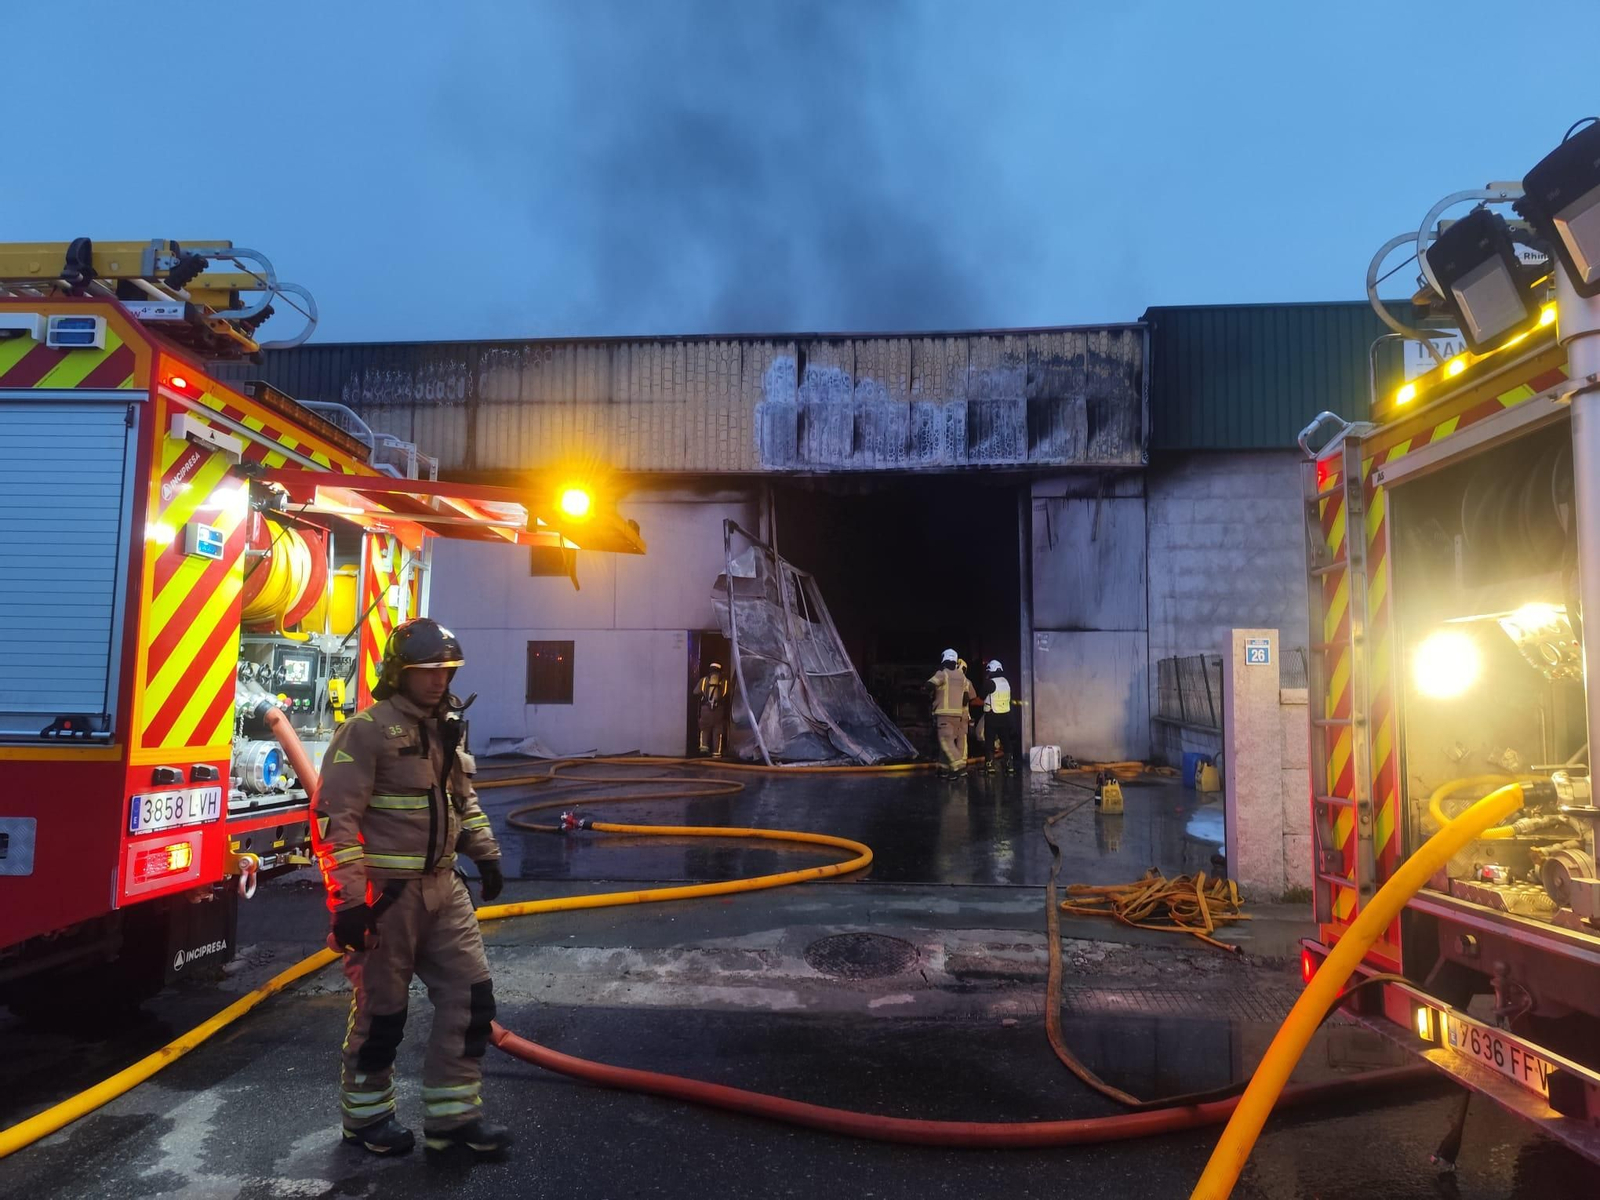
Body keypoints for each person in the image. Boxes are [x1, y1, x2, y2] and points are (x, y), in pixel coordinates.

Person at [311, 617, 511, 1161]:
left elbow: (462, 802)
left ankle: (453, 1122)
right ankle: (367, 1119)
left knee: (471, 1002)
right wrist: (350, 904)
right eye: (428, 671)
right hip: (386, 901)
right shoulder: (366, 731)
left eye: (446, 671)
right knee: (383, 1014)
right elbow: (336, 820)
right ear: (398, 673)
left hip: (445, 892)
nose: (439, 681)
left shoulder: (446, 729)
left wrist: (486, 854)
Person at [927, 649, 977, 780]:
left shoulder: (943, 674)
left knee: (946, 741)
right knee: (953, 742)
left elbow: (930, 685)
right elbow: (969, 697)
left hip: (944, 714)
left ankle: (959, 767)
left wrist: (926, 690)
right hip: (959, 716)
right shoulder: (963, 678)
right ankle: (944, 769)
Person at [982, 659, 1019, 775]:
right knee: (1006, 740)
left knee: (989, 741)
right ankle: (1010, 766)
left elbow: (981, 695)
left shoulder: (990, 683)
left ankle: (990, 766)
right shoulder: (1006, 682)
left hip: (992, 715)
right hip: (1005, 716)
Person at [694, 661, 731, 757]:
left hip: (705, 710)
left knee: (704, 729)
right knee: (717, 732)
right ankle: (716, 754)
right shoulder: (725, 682)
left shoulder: (703, 681)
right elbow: (728, 695)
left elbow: (696, 692)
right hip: (719, 710)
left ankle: (703, 749)